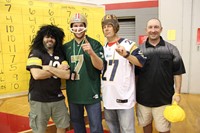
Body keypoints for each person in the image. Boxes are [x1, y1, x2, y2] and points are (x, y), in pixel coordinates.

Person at [135, 18, 186, 133]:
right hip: (143, 99)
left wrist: (177, 93)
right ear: (146, 30)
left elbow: (178, 73)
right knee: (146, 125)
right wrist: (134, 95)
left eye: (156, 27)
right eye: (150, 27)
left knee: (164, 129)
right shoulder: (139, 50)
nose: (153, 30)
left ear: (161, 29)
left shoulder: (172, 49)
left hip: (164, 99)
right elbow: (135, 75)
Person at [101, 14, 146, 133]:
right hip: (108, 97)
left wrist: (126, 55)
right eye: (104, 26)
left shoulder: (129, 44)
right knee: (113, 129)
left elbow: (141, 63)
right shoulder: (102, 48)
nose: (106, 28)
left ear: (116, 27)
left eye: (110, 26)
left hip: (124, 97)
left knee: (127, 130)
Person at [63, 13, 105, 133]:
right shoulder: (66, 47)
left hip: (91, 93)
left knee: (96, 127)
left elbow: (101, 66)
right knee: (77, 126)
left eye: (81, 25)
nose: (78, 28)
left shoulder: (95, 44)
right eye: (75, 25)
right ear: (71, 26)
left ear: (85, 26)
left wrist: (91, 52)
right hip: (74, 93)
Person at [26, 25, 70, 133]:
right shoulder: (35, 53)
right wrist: (57, 70)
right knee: (39, 130)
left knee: (63, 125)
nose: (49, 39)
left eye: (53, 37)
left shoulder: (60, 55)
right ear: (41, 38)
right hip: (39, 99)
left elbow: (66, 75)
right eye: (47, 36)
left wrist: (49, 68)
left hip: (57, 98)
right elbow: (36, 74)